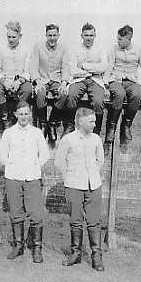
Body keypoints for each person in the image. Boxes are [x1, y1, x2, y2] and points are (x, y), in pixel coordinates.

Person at [0, 101, 50, 263]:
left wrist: (36, 165)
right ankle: (18, 246)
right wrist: (11, 164)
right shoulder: (9, 133)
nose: (24, 117)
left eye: (26, 113)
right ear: (15, 115)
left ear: (30, 114)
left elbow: (45, 154)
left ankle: (36, 248)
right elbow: (1, 156)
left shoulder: (36, 133)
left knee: (35, 213)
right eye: (21, 114)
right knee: (16, 212)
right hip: (13, 178)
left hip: (32, 177)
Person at [54, 108, 105, 271]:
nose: (94, 124)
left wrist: (92, 175)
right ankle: (75, 254)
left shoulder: (96, 139)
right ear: (81, 121)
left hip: (93, 186)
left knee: (94, 221)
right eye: (91, 121)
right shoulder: (68, 139)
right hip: (74, 185)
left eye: (94, 121)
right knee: (76, 221)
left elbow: (100, 160)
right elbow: (59, 162)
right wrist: (69, 178)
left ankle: (96, 256)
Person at [104, 24, 141, 144]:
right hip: (116, 80)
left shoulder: (138, 51)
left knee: (137, 95)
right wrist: (106, 85)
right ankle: (111, 128)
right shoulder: (114, 49)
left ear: (129, 38)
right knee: (119, 94)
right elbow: (109, 67)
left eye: (121, 39)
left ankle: (126, 125)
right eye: (117, 39)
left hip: (131, 81)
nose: (118, 42)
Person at [29, 23, 71, 141]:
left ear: (58, 36)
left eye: (54, 35)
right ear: (46, 36)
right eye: (49, 35)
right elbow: (33, 65)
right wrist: (37, 81)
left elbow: (66, 67)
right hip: (42, 79)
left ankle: (52, 123)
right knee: (40, 93)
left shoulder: (64, 48)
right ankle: (43, 124)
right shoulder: (38, 47)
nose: (52, 38)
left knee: (63, 94)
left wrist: (64, 82)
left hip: (56, 80)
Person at [68, 22, 109, 135]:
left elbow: (103, 67)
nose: (89, 38)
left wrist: (84, 66)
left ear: (95, 36)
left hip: (96, 80)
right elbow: (72, 69)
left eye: (91, 35)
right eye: (86, 35)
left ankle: (96, 130)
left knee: (98, 101)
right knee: (71, 95)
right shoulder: (75, 49)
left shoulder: (101, 49)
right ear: (81, 36)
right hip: (79, 79)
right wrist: (89, 72)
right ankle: (70, 125)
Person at [0, 21, 32, 133]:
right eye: (9, 37)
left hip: (20, 80)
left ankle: (17, 114)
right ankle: (5, 119)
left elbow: (27, 70)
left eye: (14, 37)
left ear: (20, 36)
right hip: (5, 79)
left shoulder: (26, 50)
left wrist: (19, 81)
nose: (11, 39)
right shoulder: (1, 49)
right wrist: (4, 82)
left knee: (28, 89)